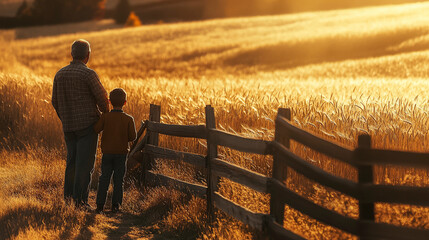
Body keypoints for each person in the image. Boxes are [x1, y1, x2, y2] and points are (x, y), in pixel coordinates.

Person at [52, 39, 109, 209]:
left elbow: (55, 101)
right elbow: (102, 98)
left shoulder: (59, 74)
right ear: (88, 55)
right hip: (88, 126)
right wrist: (105, 116)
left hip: (68, 127)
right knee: (84, 165)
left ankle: (68, 200)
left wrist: (65, 117)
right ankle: (80, 202)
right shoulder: (88, 74)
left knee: (72, 163)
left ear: (72, 54)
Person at [94, 88, 136, 213]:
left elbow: (96, 129)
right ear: (125, 103)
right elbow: (133, 137)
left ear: (109, 101)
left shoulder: (106, 117)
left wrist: (101, 117)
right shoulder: (129, 119)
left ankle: (100, 205)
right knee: (119, 180)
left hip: (107, 153)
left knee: (104, 178)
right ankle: (116, 205)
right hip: (121, 153)